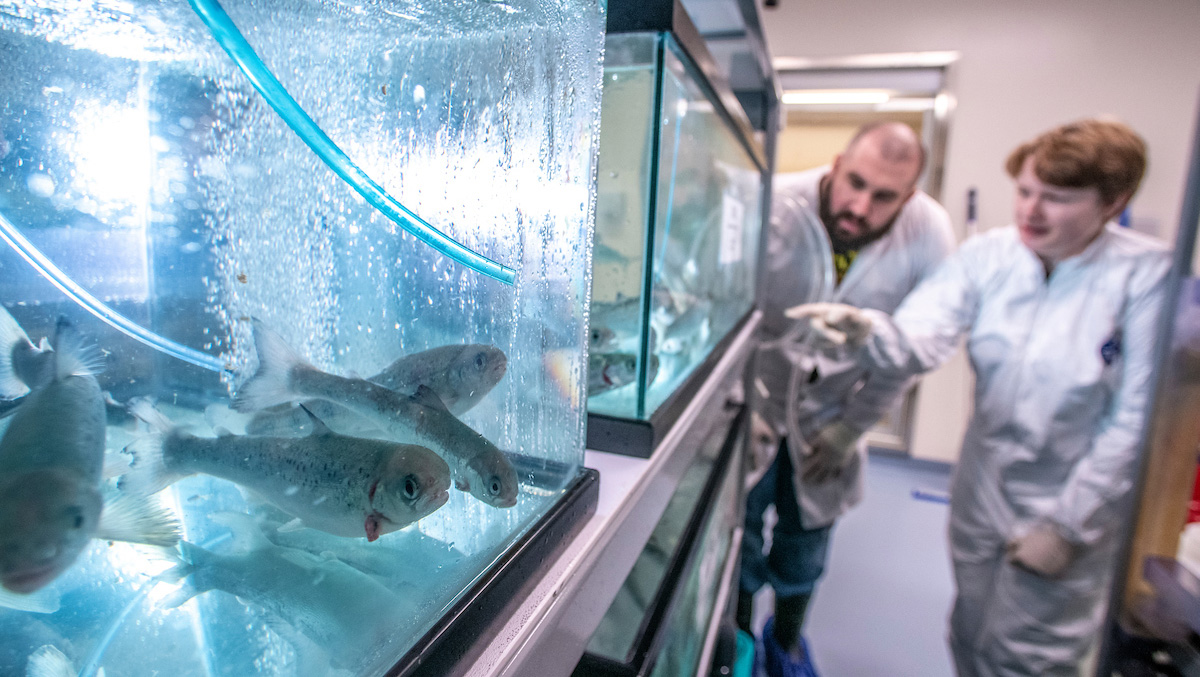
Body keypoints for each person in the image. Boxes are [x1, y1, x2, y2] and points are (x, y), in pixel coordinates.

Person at [789, 118, 1171, 676]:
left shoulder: (1144, 276)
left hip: (1067, 498)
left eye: (1057, 199)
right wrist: (868, 331)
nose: (1031, 212)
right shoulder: (991, 255)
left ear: (1114, 203)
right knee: (968, 631)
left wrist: (1069, 524)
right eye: (1025, 191)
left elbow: (1134, 423)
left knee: (1032, 656)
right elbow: (924, 335)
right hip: (982, 487)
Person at [739, 121, 955, 675]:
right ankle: (736, 643)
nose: (859, 206)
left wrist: (850, 428)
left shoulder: (928, 232)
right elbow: (728, 313)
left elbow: (914, 347)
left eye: (883, 196)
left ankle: (785, 646)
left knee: (805, 546)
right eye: (854, 182)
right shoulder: (777, 203)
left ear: (907, 198)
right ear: (835, 166)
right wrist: (740, 404)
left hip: (830, 417)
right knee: (738, 534)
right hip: (754, 410)